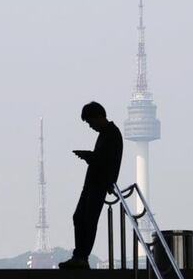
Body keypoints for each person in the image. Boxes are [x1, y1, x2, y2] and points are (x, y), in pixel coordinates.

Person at [58, 101, 123, 270]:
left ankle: (82, 256)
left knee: (87, 219)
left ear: (99, 117)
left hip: (98, 184)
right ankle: (80, 255)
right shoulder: (107, 134)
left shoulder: (111, 134)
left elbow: (107, 161)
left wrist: (89, 157)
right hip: (93, 183)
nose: (90, 126)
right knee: (80, 217)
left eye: (90, 122)